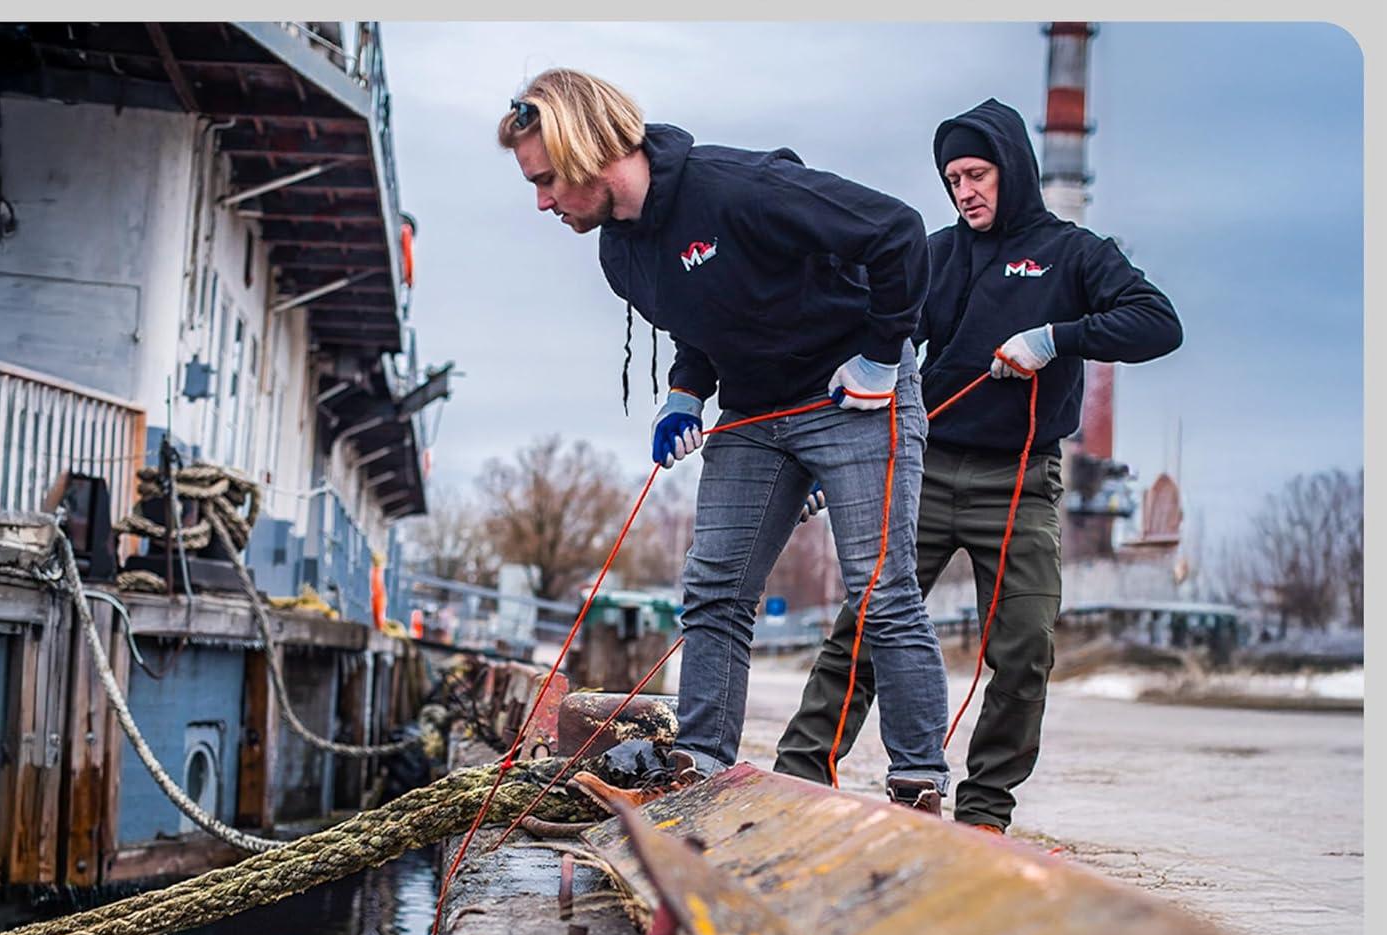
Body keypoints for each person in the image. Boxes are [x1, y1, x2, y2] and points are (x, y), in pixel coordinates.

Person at [497, 69, 951, 812]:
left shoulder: (742, 187)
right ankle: (701, 766)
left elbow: (898, 232)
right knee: (713, 591)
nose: (542, 201)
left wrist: (879, 354)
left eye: (548, 181)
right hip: (751, 415)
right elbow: (700, 319)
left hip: (852, 394)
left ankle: (920, 784)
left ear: (591, 153)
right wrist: (685, 392)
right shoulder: (621, 255)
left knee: (880, 591)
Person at [773, 98, 1183, 833]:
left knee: (1026, 648)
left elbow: (1159, 323)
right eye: (952, 177)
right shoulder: (933, 255)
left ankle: (985, 814)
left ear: (1013, 169)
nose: (964, 190)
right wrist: (824, 459)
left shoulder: (1076, 253)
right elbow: (873, 350)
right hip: (922, 468)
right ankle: (800, 776)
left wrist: (1056, 338)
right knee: (866, 625)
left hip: (1021, 483)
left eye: (976, 173)